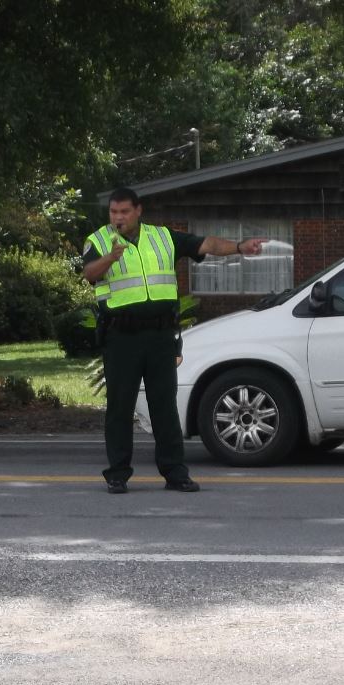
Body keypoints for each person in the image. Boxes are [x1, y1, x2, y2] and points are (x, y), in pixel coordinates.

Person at [82, 187, 266, 494]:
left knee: (164, 405)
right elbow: (89, 273)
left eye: (124, 212)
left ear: (138, 211)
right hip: (121, 337)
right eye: (114, 212)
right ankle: (117, 473)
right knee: (119, 406)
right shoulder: (98, 240)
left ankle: (175, 472)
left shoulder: (163, 237)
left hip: (159, 336)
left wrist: (239, 246)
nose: (118, 218)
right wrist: (111, 257)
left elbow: (205, 244)